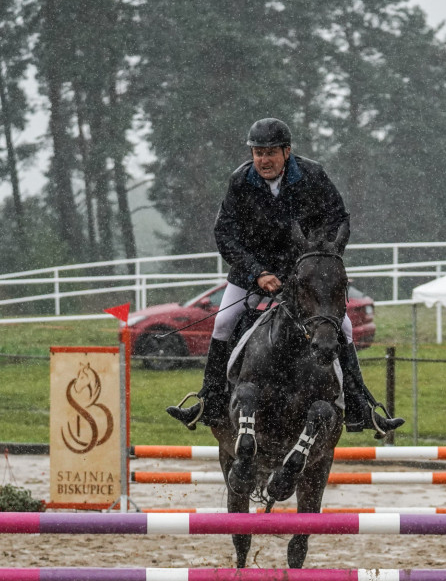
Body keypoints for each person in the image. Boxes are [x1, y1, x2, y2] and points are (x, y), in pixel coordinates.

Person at [167, 118, 404, 437]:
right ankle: (209, 399)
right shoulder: (240, 180)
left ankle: (360, 403)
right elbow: (224, 232)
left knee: (344, 325)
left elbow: (339, 218)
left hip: (301, 272)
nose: (263, 160)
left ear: (287, 152)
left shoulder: (312, 175)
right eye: (257, 153)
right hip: (252, 272)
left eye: (270, 153)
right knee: (223, 323)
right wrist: (258, 272)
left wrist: (325, 255)